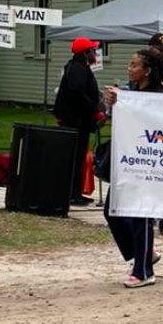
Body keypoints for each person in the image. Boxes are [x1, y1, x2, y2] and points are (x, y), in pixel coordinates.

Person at [103, 49, 163, 288]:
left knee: (141, 214)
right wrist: (112, 104)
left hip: (148, 161)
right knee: (112, 210)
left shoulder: (158, 97)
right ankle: (144, 253)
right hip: (127, 160)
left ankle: (143, 271)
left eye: (134, 65)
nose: (129, 69)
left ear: (147, 70)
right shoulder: (130, 94)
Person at [53, 37, 106, 206]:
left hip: (79, 120)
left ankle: (75, 192)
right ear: (85, 53)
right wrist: (95, 111)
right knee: (75, 158)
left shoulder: (79, 67)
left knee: (78, 158)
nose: (96, 54)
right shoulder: (77, 69)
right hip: (75, 121)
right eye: (93, 51)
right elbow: (78, 93)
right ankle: (72, 194)